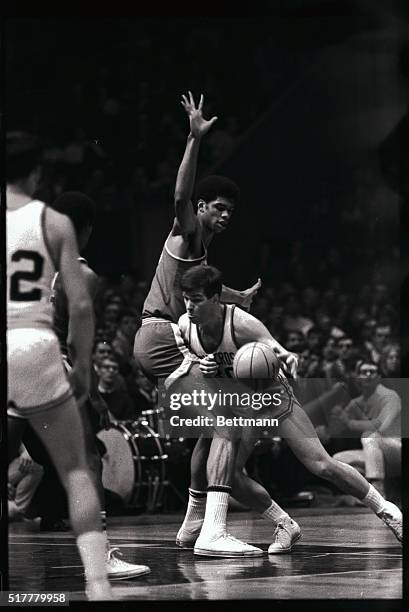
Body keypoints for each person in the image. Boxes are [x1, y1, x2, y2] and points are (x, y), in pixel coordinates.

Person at [134, 92, 274, 557]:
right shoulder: (186, 229)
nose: (225, 215)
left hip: (167, 340)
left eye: (230, 210)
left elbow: (207, 291)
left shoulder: (201, 254)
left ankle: (193, 526)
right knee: (227, 423)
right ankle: (215, 534)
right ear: (201, 209)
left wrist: (239, 297)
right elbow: (178, 195)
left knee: (206, 433)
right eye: (218, 207)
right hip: (159, 338)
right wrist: (193, 139)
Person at [175, 265, 402, 551]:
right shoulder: (185, 325)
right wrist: (200, 366)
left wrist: (288, 357)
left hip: (272, 395)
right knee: (229, 474)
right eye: (186, 298)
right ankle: (284, 523)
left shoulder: (242, 323)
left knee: (321, 464)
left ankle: (388, 511)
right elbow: (186, 366)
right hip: (242, 405)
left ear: (216, 299)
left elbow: (276, 348)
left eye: (196, 299)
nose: (189, 306)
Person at [6, 131, 112, 600]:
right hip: (38, 342)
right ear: (36, 173)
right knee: (75, 469)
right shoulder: (53, 221)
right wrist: (84, 368)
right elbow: (83, 307)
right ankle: (97, 582)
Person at [49, 190, 150, 579]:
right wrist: (93, 396)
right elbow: (77, 344)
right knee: (89, 459)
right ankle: (100, 557)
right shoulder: (82, 273)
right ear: (87, 229)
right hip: (52, 367)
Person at [332, 360, 401, 498]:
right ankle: (364, 493)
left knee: (370, 437)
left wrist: (350, 422)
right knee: (338, 460)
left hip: (396, 450)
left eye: (372, 372)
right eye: (364, 372)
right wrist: (335, 411)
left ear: (378, 377)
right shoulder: (356, 402)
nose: (368, 375)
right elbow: (336, 426)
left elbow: (382, 426)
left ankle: (378, 489)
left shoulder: (390, 396)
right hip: (376, 456)